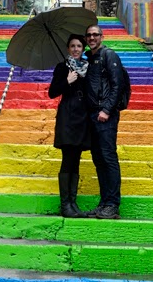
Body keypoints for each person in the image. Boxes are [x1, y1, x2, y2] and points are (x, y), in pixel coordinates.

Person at [48, 34, 91, 218]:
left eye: (79, 46)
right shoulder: (62, 67)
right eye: (72, 46)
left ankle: (73, 204)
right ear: (68, 48)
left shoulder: (88, 68)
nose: (75, 49)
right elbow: (52, 92)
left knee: (77, 159)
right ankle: (65, 205)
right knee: (68, 158)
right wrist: (67, 81)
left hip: (83, 115)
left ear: (83, 49)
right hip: (67, 114)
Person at [83, 24, 123, 219]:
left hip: (105, 115)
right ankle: (104, 202)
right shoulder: (90, 60)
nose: (92, 38)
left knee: (108, 158)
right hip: (92, 116)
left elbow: (118, 85)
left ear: (102, 36)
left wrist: (106, 109)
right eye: (89, 35)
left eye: (95, 35)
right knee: (98, 160)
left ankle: (113, 204)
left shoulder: (109, 55)